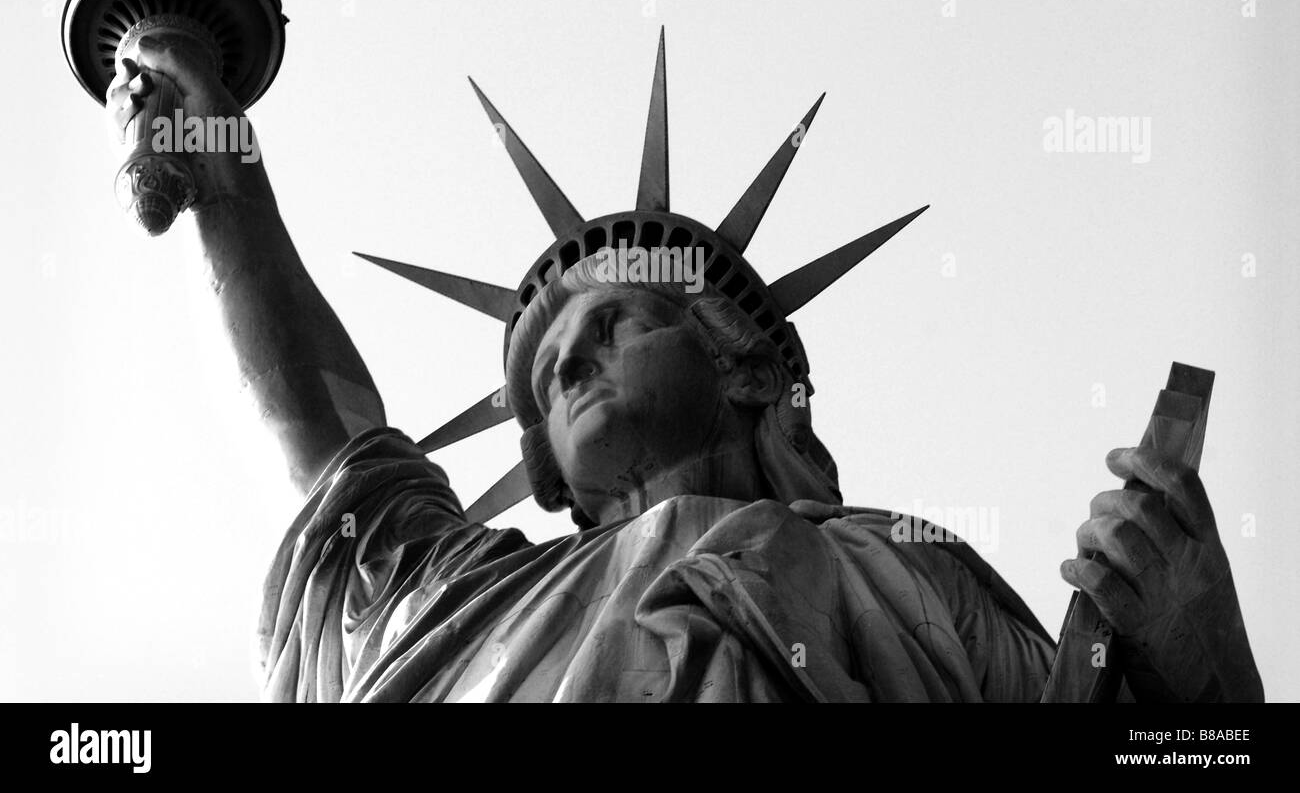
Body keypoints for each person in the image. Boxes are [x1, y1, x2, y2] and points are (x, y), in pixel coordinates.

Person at [103, 35, 1265, 702]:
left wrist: (1193, 652)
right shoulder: (465, 598)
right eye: (549, 363)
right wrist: (226, 186)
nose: (574, 357)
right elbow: (330, 449)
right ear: (548, 474)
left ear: (748, 372)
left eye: (620, 320)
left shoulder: (907, 576)